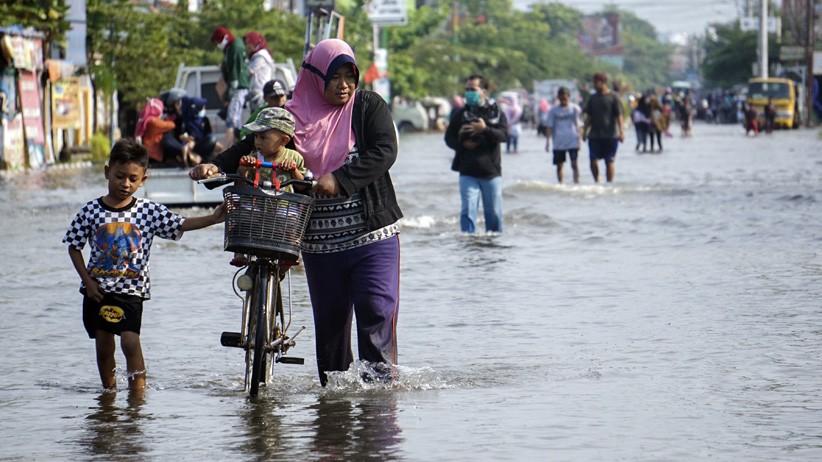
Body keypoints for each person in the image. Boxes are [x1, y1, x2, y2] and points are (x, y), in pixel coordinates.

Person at [190, 39, 403, 386]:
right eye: (335, 77)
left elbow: (384, 151)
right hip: (319, 245)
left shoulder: (366, 107)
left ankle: (379, 401)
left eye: (350, 76)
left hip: (371, 237)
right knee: (331, 332)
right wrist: (213, 166)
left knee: (376, 312)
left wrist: (340, 178)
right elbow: (252, 145)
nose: (344, 85)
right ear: (316, 77)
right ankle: (334, 411)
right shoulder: (290, 117)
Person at [63, 138, 225, 391]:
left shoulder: (148, 211)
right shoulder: (90, 211)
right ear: (107, 172)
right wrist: (87, 282)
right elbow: (73, 246)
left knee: (130, 341)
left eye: (132, 179)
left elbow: (179, 224)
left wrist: (214, 218)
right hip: (97, 290)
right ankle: (108, 393)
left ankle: (137, 394)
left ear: (143, 180)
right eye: (119, 176)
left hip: (132, 290)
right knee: (104, 343)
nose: (125, 184)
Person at [230, 107, 307, 267]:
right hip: (258, 206)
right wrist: (244, 169)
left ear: (284, 140)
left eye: (263, 137)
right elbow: (240, 186)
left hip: (283, 208)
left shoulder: (294, 157)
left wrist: (293, 170)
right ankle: (240, 252)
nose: (257, 141)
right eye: (256, 136)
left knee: (294, 222)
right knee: (241, 213)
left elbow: (302, 186)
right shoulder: (252, 157)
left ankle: (289, 256)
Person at [444, 73, 509, 233]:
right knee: (468, 211)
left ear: (484, 92)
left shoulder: (496, 113)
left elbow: (504, 136)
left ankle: (493, 247)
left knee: (493, 214)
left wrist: (484, 129)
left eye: (472, 89)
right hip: (467, 172)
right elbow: (448, 138)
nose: (468, 93)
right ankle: (469, 247)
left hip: (491, 173)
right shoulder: (460, 114)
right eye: (467, 89)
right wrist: (462, 144)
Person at [581, 72, 624, 183]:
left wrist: (621, 132)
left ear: (603, 82)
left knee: (609, 161)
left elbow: (619, 115)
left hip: (610, 135)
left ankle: (609, 184)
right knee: (593, 160)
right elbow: (589, 117)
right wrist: (584, 131)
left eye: (596, 82)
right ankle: (597, 181)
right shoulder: (593, 98)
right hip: (595, 135)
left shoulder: (613, 97)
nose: (594, 85)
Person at [211, 26, 250, 147]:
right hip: (236, 88)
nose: (218, 45)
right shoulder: (230, 48)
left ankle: (227, 150)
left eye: (218, 41)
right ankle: (233, 148)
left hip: (238, 88)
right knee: (234, 121)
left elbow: (235, 72)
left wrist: (229, 94)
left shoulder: (236, 47)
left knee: (231, 121)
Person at [545, 86, 582, 184]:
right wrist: (547, 142)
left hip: (572, 140)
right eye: (561, 99)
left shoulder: (575, 109)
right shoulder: (553, 110)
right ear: (558, 98)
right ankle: (560, 184)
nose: (563, 101)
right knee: (559, 166)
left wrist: (579, 141)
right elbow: (549, 126)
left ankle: (576, 182)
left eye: (565, 99)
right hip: (558, 142)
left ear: (569, 97)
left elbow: (579, 126)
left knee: (574, 164)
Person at [243, 32, 275, 108]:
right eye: (246, 43)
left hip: (260, 94)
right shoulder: (256, 56)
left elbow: (249, 71)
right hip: (256, 94)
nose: (248, 46)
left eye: (250, 43)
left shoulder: (261, 56)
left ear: (256, 42)